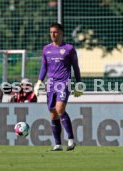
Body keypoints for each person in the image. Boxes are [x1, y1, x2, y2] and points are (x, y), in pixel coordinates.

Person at [34, 23, 83, 151]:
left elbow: (75, 67)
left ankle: (71, 140)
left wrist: (79, 83)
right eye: (51, 32)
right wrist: (39, 81)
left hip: (64, 83)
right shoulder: (46, 49)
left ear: (61, 33)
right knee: (53, 113)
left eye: (55, 32)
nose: (52, 34)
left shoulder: (69, 49)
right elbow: (44, 66)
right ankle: (58, 144)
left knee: (60, 109)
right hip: (51, 84)